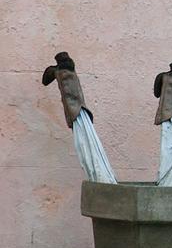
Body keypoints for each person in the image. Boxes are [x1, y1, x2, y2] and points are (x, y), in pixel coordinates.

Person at [42, 52, 117, 184]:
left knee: (86, 145)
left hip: (77, 111)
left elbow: (45, 80)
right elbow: (46, 80)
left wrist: (54, 69)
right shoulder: (65, 71)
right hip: (79, 111)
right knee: (87, 146)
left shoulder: (61, 72)